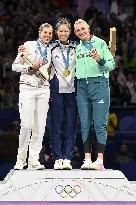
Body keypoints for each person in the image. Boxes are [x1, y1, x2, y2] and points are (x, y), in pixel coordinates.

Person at [74, 19, 115, 170]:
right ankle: (87, 160)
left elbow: (111, 65)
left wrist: (100, 59)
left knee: (99, 124)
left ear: (88, 28)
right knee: (85, 124)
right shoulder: (77, 49)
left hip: (99, 85)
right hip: (82, 87)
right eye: (77, 30)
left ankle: (100, 160)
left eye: (83, 28)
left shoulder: (101, 43)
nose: (81, 32)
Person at [12, 23, 53, 170]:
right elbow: (15, 66)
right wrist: (30, 67)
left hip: (43, 89)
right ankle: (20, 159)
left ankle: (33, 160)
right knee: (27, 125)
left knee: (40, 127)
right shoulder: (28, 45)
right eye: (45, 32)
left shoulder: (51, 49)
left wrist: (49, 77)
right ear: (39, 32)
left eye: (50, 33)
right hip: (27, 89)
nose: (47, 35)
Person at [49, 18, 77, 170]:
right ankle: (58, 157)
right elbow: (37, 47)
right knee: (56, 125)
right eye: (61, 31)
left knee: (71, 126)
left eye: (66, 30)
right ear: (56, 32)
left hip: (73, 91)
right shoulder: (51, 46)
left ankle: (67, 157)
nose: (63, 33)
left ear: (70, 32)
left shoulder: (76, 47)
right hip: (57, 90)